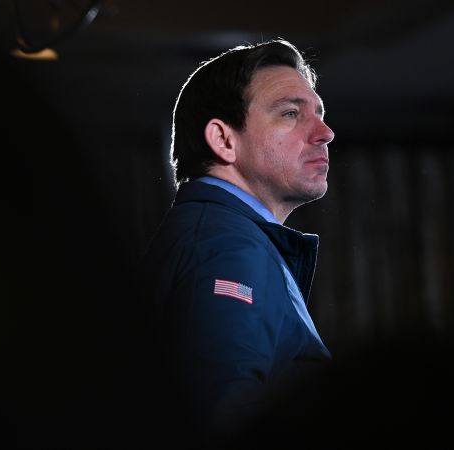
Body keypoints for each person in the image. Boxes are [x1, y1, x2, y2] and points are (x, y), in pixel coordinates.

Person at [138, 38, 336, 444]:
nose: (325, 133)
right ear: (224, 140)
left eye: (319, 113)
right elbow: (222, 422)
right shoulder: (228, 247)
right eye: (290, 113)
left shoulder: (221, 237)